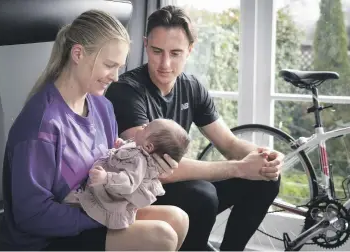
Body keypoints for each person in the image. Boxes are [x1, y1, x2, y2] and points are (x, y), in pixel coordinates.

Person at [1, 9, 189, 251]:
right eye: (110, 65)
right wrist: (101, 216)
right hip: (48, 239)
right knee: (160, 235)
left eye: (119, 67)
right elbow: (32, 216)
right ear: (78, 53)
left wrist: (150, 168)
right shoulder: (42, 125)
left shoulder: (102, 107)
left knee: (177, 219)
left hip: (94, 208)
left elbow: (113, 167)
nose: (116, 77)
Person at [105, 5, 284, 251]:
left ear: (190, 50)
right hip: (138, 194)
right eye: (157, 51)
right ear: (145, 44)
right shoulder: (126, 90)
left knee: (266, 179)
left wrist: (265, 158)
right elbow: (151, 168)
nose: (165, 64)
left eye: (175, 53)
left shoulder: (192, 88)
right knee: (202, 194)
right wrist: (240, 168)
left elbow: (230, 144)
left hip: (177, 188)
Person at [63, 118, 190, 230]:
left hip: (106, 194)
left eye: (148, 127)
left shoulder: (139, 161)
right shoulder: (139, 148)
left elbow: (129, 182)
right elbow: (128, 153)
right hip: (103, 185)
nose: (144, 125)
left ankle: (77, 203)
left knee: (87, 198)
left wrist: (106, 178)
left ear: (149, 147)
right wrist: (121, 145)